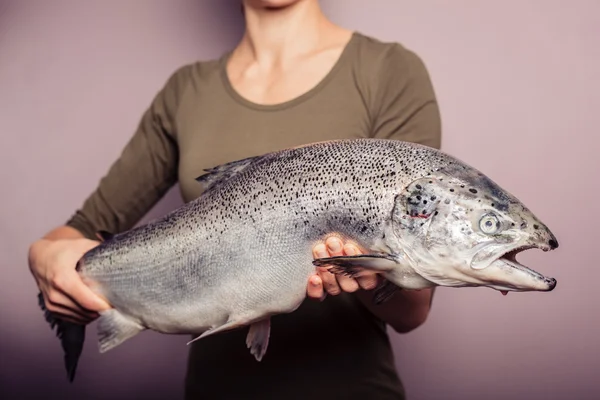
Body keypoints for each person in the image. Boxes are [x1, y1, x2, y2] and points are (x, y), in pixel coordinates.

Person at [27, 0, 442, 398]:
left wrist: (361, 271)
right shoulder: (186, 91)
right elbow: (76, 232)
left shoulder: (388, 71)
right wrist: (44, 257)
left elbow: (412, 312)